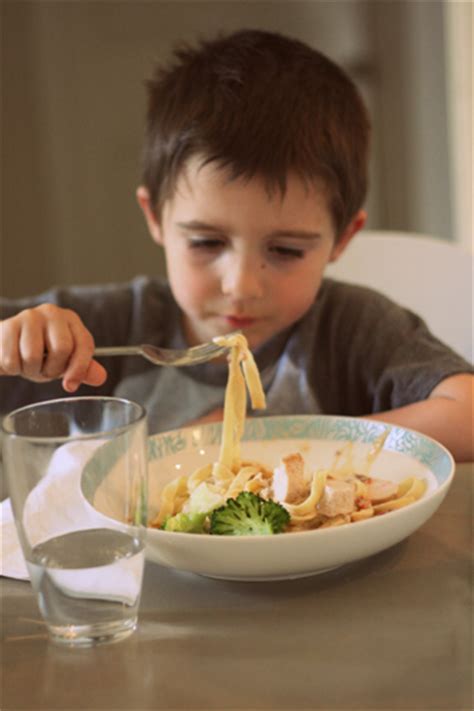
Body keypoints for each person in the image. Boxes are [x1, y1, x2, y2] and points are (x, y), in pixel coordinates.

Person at [1, 30, 472, 460]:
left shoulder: (349, 331)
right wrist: (16, 344)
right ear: (155, 218)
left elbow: (467, 416)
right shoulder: (109, 328)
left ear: (342, 238)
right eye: (207, 242)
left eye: (285, 250)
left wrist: (276, 437)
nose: (241, 285)